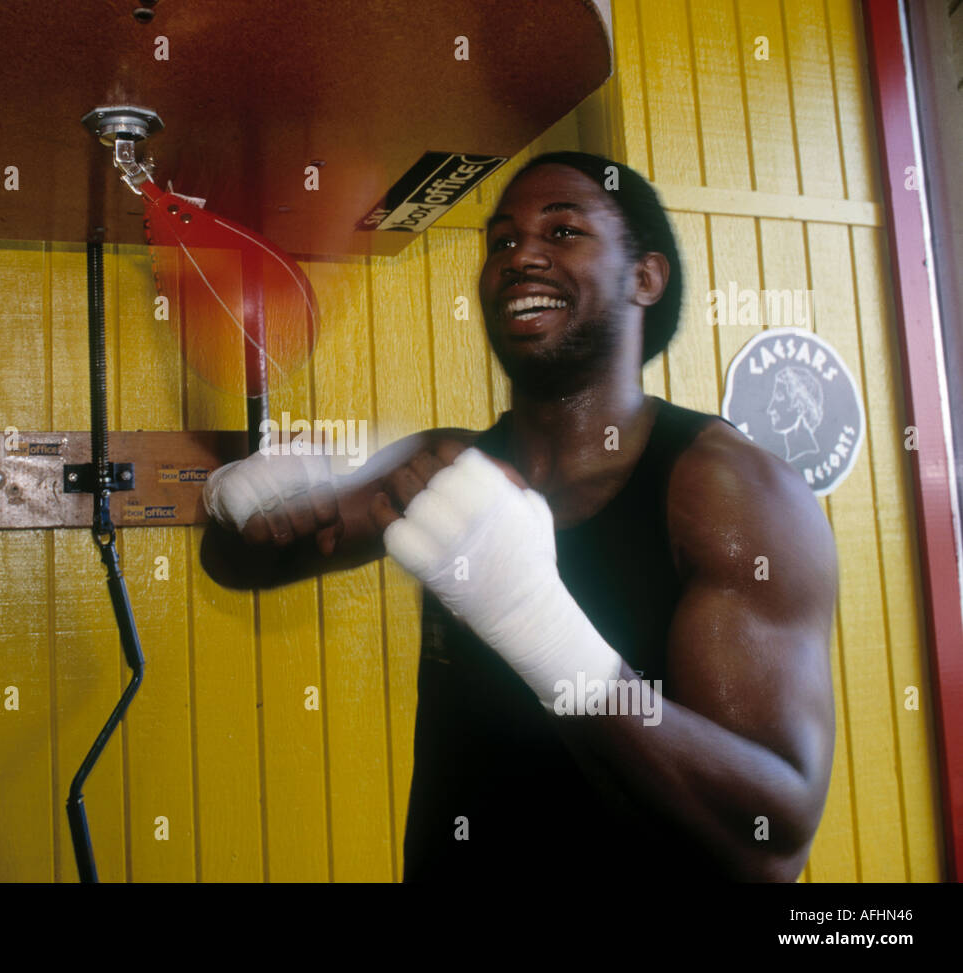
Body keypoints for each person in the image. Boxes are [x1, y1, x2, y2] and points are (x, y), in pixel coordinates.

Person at [199, 151, 837, 882]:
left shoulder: (728, 490)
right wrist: (241, 504)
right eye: (501, 240)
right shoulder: (447, 465)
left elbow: (769, 842)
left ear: (644, 277)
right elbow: (244, 563)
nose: (521, 255)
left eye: (563, 231)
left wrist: (544, 632)